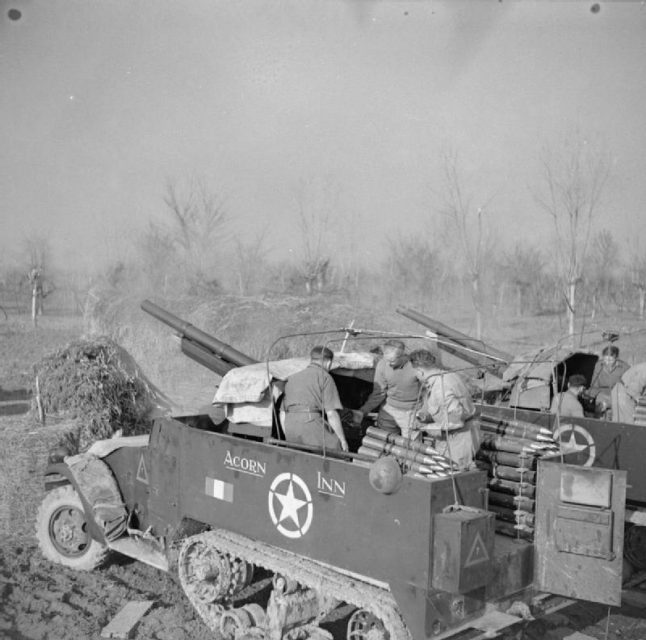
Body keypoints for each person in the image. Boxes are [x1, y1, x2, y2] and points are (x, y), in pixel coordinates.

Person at [408, 349, 480, 471]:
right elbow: (443, 411)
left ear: (420, 371)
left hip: (459, 439)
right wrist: (425, 417)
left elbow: (455, 422)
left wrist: (424, 428)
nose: (415, 376)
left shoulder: (440, 388)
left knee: (454, 475)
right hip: (453, 436)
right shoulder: (446, 375)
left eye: (415, 372)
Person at [282, 346, 349, 452]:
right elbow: (331, 413)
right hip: (310, 422)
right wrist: (343, 440)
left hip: (290, 426)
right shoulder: (325, 377)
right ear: (328, 362)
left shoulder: (292, 378)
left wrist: (288, 434)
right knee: (338, 454)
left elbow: (282, 413)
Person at [353, 339, 421, 439]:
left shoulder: (416, 367)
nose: (389, 364)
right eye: (387, 360)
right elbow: (379, 392)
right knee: (383, 440)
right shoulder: (382, 365)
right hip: (389, 408)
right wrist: (363, 411)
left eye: (392, 361)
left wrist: (423, 412)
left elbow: (428, 391)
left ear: (403, 355)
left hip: (411, 411)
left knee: (412, 447)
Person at [588, 345, 630, 416]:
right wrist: (591, 396)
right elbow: (594, 383)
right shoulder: (598, 365)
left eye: (610, 360)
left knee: (615, 414)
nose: (607, 362)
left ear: (616, 357)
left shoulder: (624, 367)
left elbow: (628, 384)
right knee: (599, 409)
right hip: (602, 394)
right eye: (605, 359)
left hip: (618, 395)